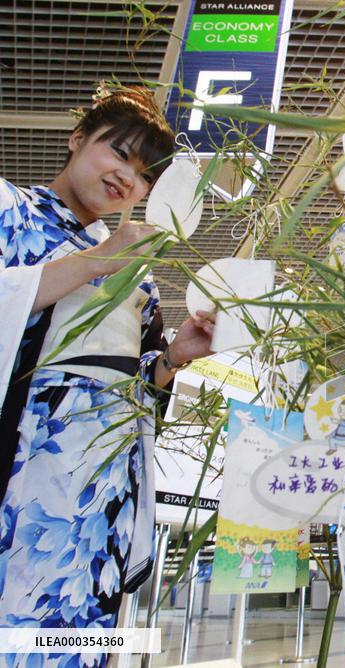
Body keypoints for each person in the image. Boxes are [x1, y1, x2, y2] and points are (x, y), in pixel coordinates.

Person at [0, 86, 214, 659]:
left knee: (78, 635)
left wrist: (172, 359)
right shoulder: (10, 210)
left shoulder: (136, 271)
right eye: (118, 153)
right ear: (77, 140)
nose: (127, 177)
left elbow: (133, 386)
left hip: (98, 492)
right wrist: (101, 258)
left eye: (144, 175)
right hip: (24, 472)